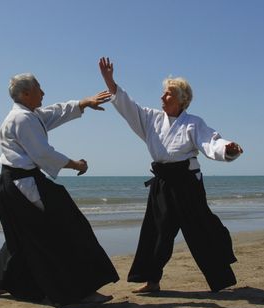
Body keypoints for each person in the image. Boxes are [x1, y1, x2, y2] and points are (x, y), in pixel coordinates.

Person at [99, 57, 243, 293]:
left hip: (187, 182)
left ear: (181, 99)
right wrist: (109, 80)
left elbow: (210, 142)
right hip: (163, 183)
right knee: (157, 232)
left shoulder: (193, 123)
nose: (162, 97)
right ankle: (152, 281)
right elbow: (127, 106)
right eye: (163, 93)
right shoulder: (151, 119)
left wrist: (227, 148)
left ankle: (221, 281)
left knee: (201, 230)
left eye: (168, 94)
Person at [0, 73, 119, 306]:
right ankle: (80, 292)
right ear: (25, 94)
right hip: (23, 185)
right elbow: (43, 154)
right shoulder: (22, 119)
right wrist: (76, 164)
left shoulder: (28, 116)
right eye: (39, 88)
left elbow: (54, 112)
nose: (43, 92)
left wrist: (84, 102)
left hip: (10, 186)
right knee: (70, 228)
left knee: (21, 236)